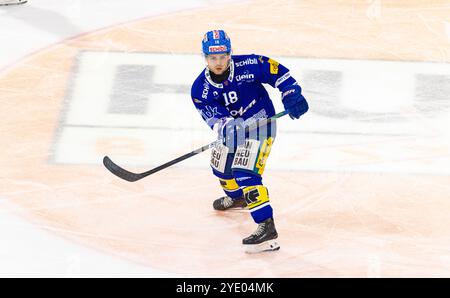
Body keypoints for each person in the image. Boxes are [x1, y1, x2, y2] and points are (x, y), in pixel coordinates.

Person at [190, 30, 309, 253]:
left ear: (229, 54)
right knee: (222, 168)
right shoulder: (200, 89)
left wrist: (291, 94)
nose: (218, 63)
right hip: (234, 131)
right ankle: (238, 198)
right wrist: (226, 127)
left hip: (262, 125)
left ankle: (267, 228)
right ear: (205, 58)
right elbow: (213, 116)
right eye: (213, 58)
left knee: (244, 172)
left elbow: (279, 73)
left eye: (223, 56)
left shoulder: (250, 64)